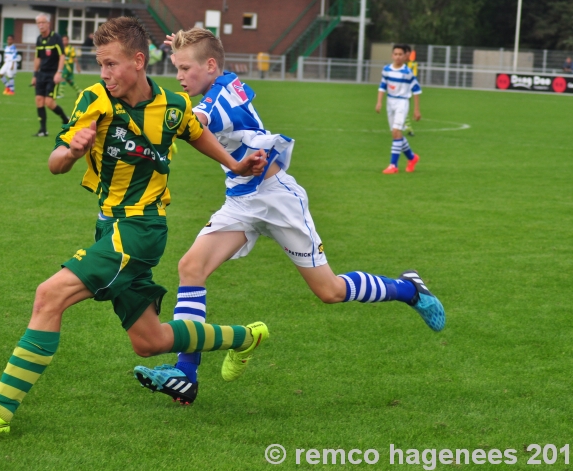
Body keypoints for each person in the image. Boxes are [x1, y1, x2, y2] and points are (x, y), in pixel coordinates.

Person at [0, 17, 269, 435]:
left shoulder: (172, 105)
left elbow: (193, 133)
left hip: (140, 231)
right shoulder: (94, 100)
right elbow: (55, 163)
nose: (105, 73)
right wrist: (72, 151)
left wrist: (236, 164)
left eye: (111, 64)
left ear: (138, 60)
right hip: (109, 227)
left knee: (48, 297)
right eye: (100, 64)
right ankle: (244, 337)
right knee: (149, 341)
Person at [133, 28, 445, 405]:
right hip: (241, 202)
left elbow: (187, 120)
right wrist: (185, 47)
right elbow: (203, 82)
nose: (180, 76)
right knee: (191, 267)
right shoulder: (227, 82)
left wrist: (138, 94)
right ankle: (186, 374)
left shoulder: (213, 106)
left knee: (329, 291)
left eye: (185, 69)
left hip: (278, 200)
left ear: (210, 65)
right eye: (177, 68)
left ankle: (410, 289)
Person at [375, 44, 421, 174]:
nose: (398, 57)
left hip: (402, 102)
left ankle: (393, 165)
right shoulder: (386, 69)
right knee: (396, 134)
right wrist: (379, 102)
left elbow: (417, 90)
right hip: (390, 103)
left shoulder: (407, 72)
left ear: (404, 56)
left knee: (396, 132)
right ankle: (412, 158)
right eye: (395, 54)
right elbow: (382, 86)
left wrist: (416, 110)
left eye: (400, 54)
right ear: (392, 55)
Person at [30, 13, 69, 137]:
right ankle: (43, 130)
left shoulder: (55, 37)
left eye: (43, 22)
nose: (41, 25)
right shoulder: (39, 39)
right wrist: (35, 75)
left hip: (52, 74)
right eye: (39, 23)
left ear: (48, 24)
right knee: (39, 100)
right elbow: (37, 58)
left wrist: (59, 72)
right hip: (41, 74)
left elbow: (62, 56)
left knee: (49, 102)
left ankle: (65, 119)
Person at [56, 35, 81, 99]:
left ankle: (61, 94)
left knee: (62, 77)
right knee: (69, 80)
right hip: (62, 66)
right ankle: (79, 91)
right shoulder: (60, 48)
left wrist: (77, 66)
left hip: (68, 66)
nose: (64, 41)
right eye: (63, 40)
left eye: (65, 40)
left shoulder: (71, 48)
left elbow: (74, 58)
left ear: (68, 40)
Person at [404, 48, 419, 136]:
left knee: (404, 110)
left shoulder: (409, 65)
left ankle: (408, 127)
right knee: (404, 110)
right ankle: (408, 128)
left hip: (406, 89)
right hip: (406, 89)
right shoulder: (413, 64)